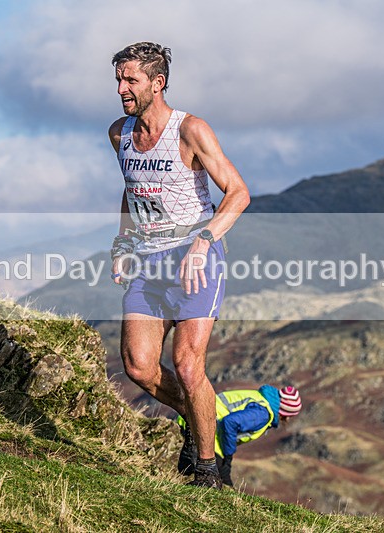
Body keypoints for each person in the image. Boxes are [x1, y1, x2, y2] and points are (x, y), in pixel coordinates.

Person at [108, 42, 250, 490]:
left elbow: (238, 193)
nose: (121, 89)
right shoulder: (119, 133)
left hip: (194, 260)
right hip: (147, 262)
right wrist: (123, 242)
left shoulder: (190, 130)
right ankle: (200, 416)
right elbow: (131, 190)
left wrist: (205, 240)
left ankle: (208, 469)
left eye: (131, 80)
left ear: (158, 82)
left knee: (189, 367)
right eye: (118, 79)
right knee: (139, 367)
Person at [177, 385, 302, 488]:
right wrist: (228, 455)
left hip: (194, 421)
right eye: (289, 415)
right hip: (204, 432)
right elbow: (230, 422)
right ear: (285, 412)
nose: (288, 419)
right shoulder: (263, 413)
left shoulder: (260, 398)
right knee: (220, 483)